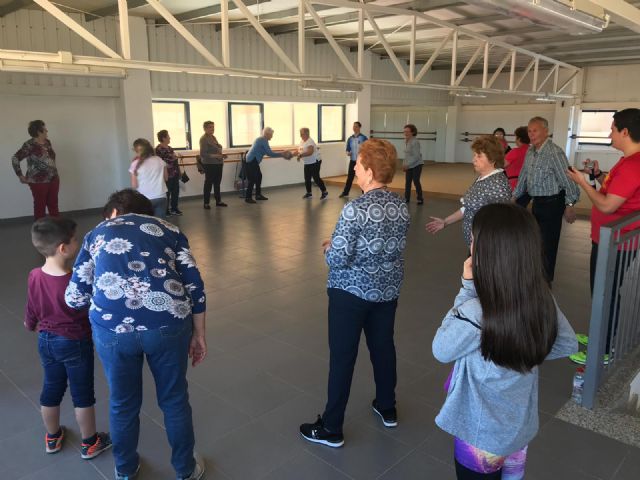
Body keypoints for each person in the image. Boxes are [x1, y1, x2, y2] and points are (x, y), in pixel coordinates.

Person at [65, 189, 207, 480]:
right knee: (174, 399)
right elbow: (195, 287)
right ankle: (185, 469)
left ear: (114, 211)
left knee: (122, 403)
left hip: (113, 330)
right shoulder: (170, 229)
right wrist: (199, 334)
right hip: (168, 325)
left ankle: (125, 470)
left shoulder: (96, 234)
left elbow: (75, 297)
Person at [433, 203, 577, 480]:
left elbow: (441, 348)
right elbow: (566, 343)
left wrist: (466, 288)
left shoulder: (477, 311)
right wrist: (520, 351)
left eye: (474, 240)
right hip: (517, 430)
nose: (470, 245)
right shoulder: (543, 299)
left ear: (488, 252)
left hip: (480, 437)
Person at [300, 139, 410, 448]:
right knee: (383, 348)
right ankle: (387, 407)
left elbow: (338, 258)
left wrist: (328, 247)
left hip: (350, 293)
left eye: (358, 165)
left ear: (371, 171)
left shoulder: (355, 209)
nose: (355, 169)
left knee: (343, 357)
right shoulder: (400, 203)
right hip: (387, 290)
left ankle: (332, 427)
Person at [25, 217, 112, 459]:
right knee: (83, 393)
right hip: (75, 342)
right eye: (75, 240)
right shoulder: (76, 280)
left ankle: (52, 437)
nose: (77, 243)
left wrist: (31, 323)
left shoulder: (34, 275)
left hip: (46, 341)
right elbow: (90, 311)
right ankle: (90, 442)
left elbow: (31, 307)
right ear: (63, 248)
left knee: (51, 388)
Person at [566, 108, 640, 365]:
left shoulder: (633, 165)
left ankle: (603, 348)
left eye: (612, 129)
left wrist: (582, 183)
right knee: (603, 291)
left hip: (616, 242)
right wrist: (597, 177)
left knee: (604, 292)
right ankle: (601, 334)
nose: (610, 134)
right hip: (610, 238)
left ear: (625, 132)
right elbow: (619, 191)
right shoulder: (628, 160)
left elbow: (608, 205)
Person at [513, 116, 580, 283]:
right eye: (529, 131)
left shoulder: (554, 153)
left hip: (553, 204)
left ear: (546, 131)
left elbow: (568, 180)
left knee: (549, 245)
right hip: (537, 203)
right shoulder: (530, 151)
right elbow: (523, 177)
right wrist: (514, 197)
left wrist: (570, 204)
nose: (531, 134)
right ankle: (536, 276)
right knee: (535, 242)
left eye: (535, 130)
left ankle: (546, 280)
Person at [426, 135, 512, 247]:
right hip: (474, 245)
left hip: (485, 248)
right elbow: (468, 207)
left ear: (493, 158)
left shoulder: (498, 185)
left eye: (479, 156)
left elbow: (500, 223)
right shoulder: (483, 177)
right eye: (474, 155)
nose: (473, 159)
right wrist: (445, 221)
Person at [12, 120, 60, 219]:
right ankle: (40, 230)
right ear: (39, 131)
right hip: (38, 181)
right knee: (40, 206)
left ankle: (56, 229)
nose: (47, 130)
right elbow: (15, 158)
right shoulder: (29, 145)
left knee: (53, 205)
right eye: (44, 129)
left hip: (53, 179)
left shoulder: (48, 142)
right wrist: (20, 175)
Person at [244, 127, 292, 204]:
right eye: (271, 135)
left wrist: (282, 153)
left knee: (259, 176)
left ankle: (258, 195)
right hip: (251, 161)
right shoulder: (263, 140)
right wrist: (282, 154)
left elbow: (267, 152)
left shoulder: (262, 139)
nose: (272, 136)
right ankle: (248, 197)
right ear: (267, 134)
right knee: (252, 179)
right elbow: (270, 153)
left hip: (252, 160)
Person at [129, 138, 168, 218]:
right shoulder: (159, 160)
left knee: (146, 225)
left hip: (144, 199)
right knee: (160, 224)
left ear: (136, 150)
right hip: (161, 196)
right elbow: (166, 178)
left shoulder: (135, 164)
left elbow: (134, 185)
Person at [199, 121, 227, 209]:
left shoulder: (213, 137)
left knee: (217, 183)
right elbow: (203, 154)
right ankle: (206, 203)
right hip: (209, 164)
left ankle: (218, 201)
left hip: (218, 163)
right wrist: (217, 155)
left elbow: (216, 149)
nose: (212, 129)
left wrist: (221, 155)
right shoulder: (203, 139)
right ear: (205, 129)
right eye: (210, 127)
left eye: (213, 127)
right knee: (208, 183)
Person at [156, 130, 183, 216]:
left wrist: (179, 171)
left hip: (174, 173)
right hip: (166, 174)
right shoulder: (158, 149)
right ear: (163, 138)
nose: (169, 138)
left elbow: (175, 161)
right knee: (167, 193)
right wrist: (172, 159)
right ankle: (166, 210)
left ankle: (174, 208)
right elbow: (161, 162)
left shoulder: (170, 148)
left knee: (176, 191)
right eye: (168, 136)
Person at [297, 127, 328, 200]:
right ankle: (309, 193)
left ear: (307, 133)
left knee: (316, 178)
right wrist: (293, 154)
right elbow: (299, 150)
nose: (300, 135)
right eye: (300, 134)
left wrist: (301, 155)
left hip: (315, 162)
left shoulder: (310, 141)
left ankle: (324, 191)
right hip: (307, 162)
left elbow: (310, 152)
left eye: (302, 134)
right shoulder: (302, 141)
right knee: (307, 178)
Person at [504, 126, 532, 208]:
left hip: (515, 186)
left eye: (516, 137)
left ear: (519, 139)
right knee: (521, 208)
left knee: (513, 210)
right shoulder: (532, 151)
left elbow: (501, 165)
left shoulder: (515, 152)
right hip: (528, 187)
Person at [340, 121, 368, 198]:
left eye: (356, 126)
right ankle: (345, 192)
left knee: (362, 177)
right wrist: (348, 152)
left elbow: (368, 149)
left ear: (359, 127)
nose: (354, 128)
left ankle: (364, 193)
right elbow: (347, 149)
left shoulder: (364, 138)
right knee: (350, 177)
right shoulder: (350, 138)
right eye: (353, 126)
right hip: (352, 161)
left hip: (361, 162)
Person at [403, 123, 424, 205]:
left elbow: (416, 156)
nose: (405, 133)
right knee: (408, 182)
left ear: (412, 132)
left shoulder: (415, 142)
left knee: (416, 181)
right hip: (409, 164)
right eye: (404, 131)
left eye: (407, 131)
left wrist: (407, 165)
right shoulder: (407, 141)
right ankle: (406, 198)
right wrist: (404, 164)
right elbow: (407, 155)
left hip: (417, 164)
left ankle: (420, 198)